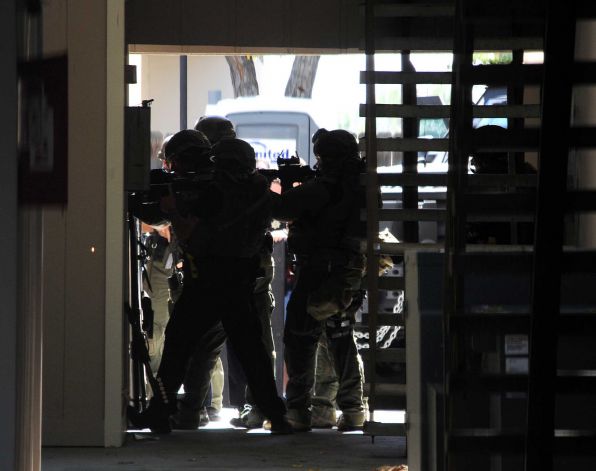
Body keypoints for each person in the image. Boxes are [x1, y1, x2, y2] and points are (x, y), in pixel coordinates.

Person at [128, 132, 291, 434]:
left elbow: (192, 234)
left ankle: (160, 412)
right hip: (238, 282)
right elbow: (286, 211)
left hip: (207, 282)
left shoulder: (215, 194)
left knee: (177, 349)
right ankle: (277, 416)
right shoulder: (258, 190)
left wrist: (172, 208)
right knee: (252, 353)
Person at [170, 116, 278, 431]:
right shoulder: (244, 180)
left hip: (223, 272)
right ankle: (258, 409)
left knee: (205, 344)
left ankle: (194, 409)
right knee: (250, 345)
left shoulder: (221, 183)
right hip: (243, 271)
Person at [270, 128, 367, 432]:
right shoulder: (361, 184)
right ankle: (353, 410)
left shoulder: (326, 186)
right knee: (340, 336)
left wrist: (274, 186)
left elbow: (283, 209)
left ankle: (298, 409)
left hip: (319, 272)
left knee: (300, 337)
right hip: (349, 271)